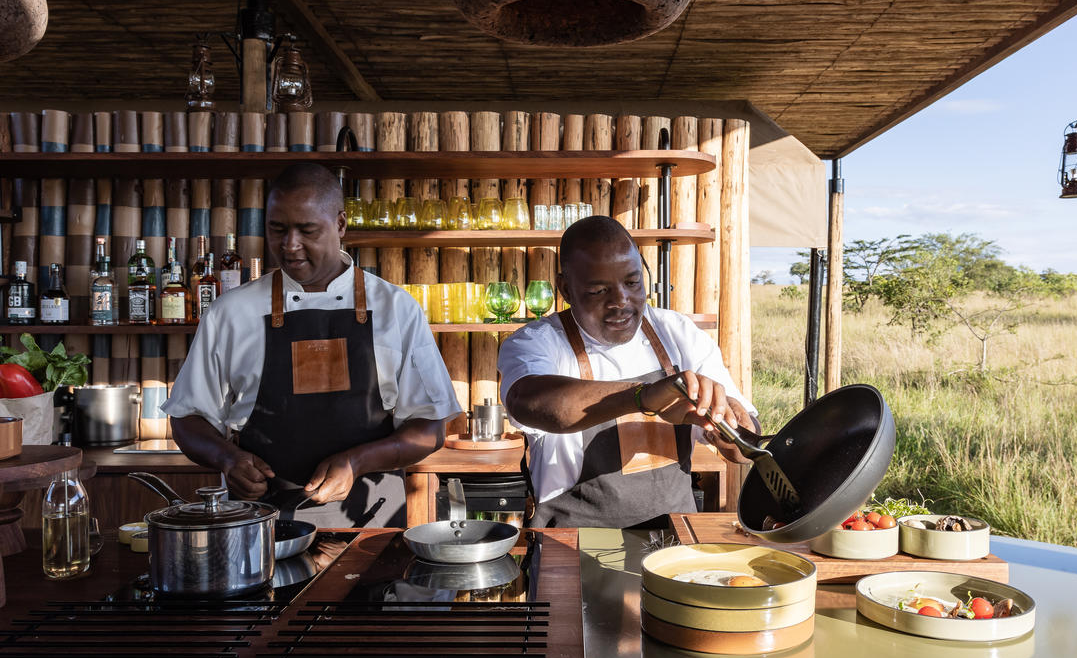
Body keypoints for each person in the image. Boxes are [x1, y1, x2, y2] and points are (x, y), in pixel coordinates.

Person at [163, 163, 461, 528]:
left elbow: (430, 428)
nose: (290, 245)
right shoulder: (232, 312)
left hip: (369, 520)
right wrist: (227, 459)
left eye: (307, 230)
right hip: (259, 523)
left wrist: (356, 461)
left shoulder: (395, 309)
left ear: (340, 225)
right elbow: (186, 417)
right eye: (277, 229)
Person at [497, 215, 759, 528]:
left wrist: (728, 432)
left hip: (674, 540)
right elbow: (531, 401)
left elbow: (745, 448)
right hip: (573, 544)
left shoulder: (676, 333)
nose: (621, 301)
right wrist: (645, 396)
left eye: (632, 283)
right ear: (565, 289)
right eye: (598, 291)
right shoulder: (536, 343)